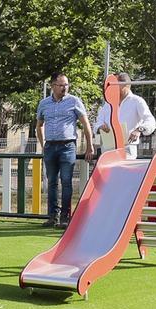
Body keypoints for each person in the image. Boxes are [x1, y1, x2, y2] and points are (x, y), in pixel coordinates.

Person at [35, 72, 95, 228]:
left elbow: (85, 124)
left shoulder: (74, 101)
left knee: (66, 182)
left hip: (67, 146)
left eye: (66, 84)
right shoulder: (44, 103)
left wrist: (90, 145)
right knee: (51, 182)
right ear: (53, 86)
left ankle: (65, 217)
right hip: (50, 147)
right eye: (61, 85)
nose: (64, 88)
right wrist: (43, 145)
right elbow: (39, 125)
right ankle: (52, 216)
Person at [94, 72, 156, 160]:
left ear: (126, 85)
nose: (111, 89)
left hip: (127, 149)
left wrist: (139, 129)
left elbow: (150, 120)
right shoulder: (107, 104)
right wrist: (100, 126)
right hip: (108, 150)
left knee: (124, 173)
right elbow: (97, 123)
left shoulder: (137, 101)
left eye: (114, 85)